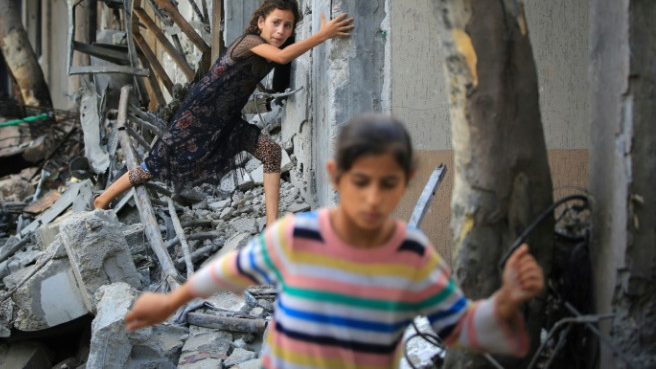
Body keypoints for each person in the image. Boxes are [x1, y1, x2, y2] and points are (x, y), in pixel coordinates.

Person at [124, 113, 545, 368]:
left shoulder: (412, 257)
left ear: (406, 182)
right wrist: (172, 301)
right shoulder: (298, 237)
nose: (373, 198)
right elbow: (230, 271)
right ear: (336, 176)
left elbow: (458, 326)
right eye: (361, 182)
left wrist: (507, 299)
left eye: (388, 184)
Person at [92, 0, 354, 226]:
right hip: (197, 116)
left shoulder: (270, 48)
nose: (281, 31)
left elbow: (281, 56)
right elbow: (284, 57)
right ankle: (102, 200)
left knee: (271, 153)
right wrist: (323, 35)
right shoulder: (250, 42)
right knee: (154, 165)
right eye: (276, 23)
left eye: (287, 26)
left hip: (227, 121)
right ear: (261, 21)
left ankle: (272, 225)